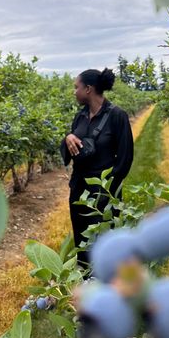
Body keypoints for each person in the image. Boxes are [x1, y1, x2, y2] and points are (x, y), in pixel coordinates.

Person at [60, 67, 134, 273]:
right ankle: (86, 283)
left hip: (104, 191)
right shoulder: (80, 117)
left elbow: (125, 158)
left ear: (89, 89)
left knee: (104, 242)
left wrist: (108, 191)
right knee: (82, 238)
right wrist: (68, 138)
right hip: (79, 189)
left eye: (77, 87)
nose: (74, 91)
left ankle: (108, 285)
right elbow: (73, 148)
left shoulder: (117, 116)